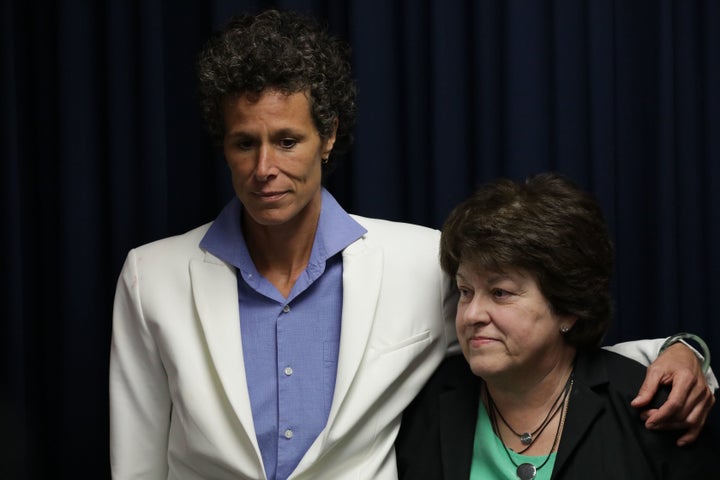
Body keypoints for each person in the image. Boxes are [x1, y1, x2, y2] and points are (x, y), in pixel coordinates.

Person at [109, 10, 715, 480]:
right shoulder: (152, 276)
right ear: (225, 146)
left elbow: (547, 340)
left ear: (328, 137)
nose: (265, 166)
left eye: (288, 140)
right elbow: (135, 463)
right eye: (245, 143)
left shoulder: (423, 261)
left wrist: (687, 352)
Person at [395, 173, 717, 479]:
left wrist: (687, 348)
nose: (471, 314)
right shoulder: (424, 404)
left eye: (500, 293)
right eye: (466, 292)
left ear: (567, 308)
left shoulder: (654, 409)